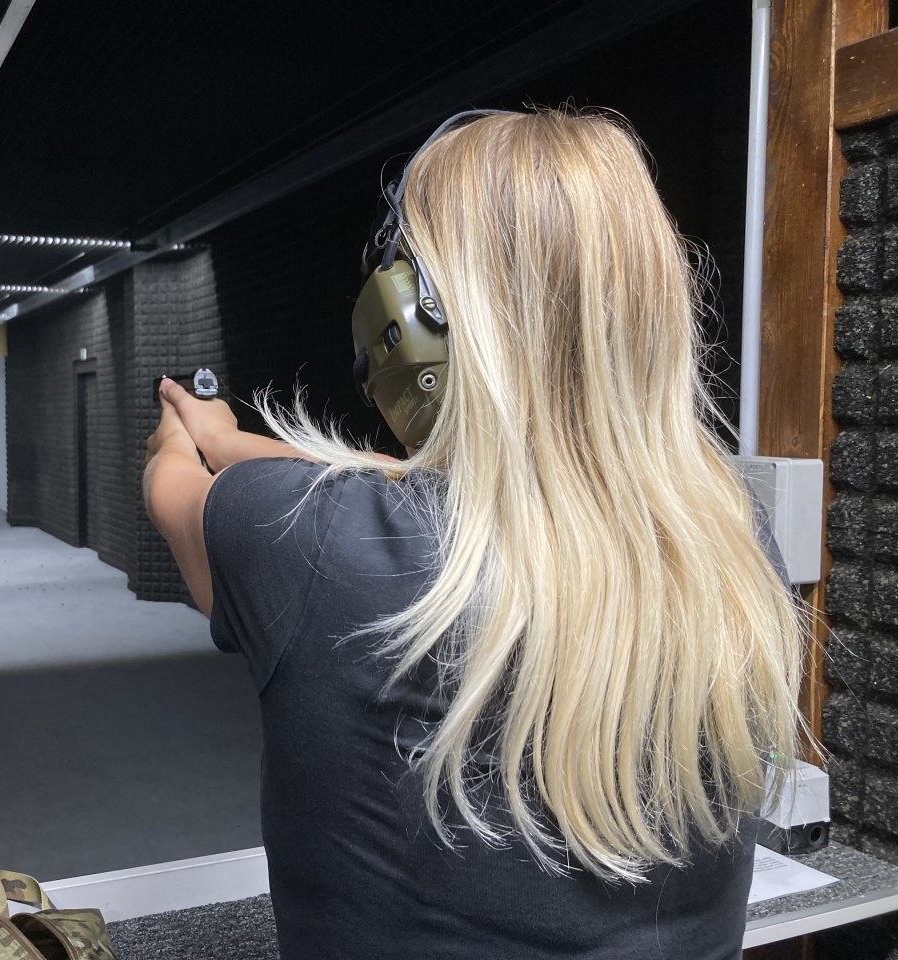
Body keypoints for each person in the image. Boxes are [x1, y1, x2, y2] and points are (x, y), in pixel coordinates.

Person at [142, 108, 804, 959]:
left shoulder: (313, 542)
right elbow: (418, 488)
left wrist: (189, 431)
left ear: (414, 322)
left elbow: (174, 487)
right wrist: (236, 436)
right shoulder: (734, 539)